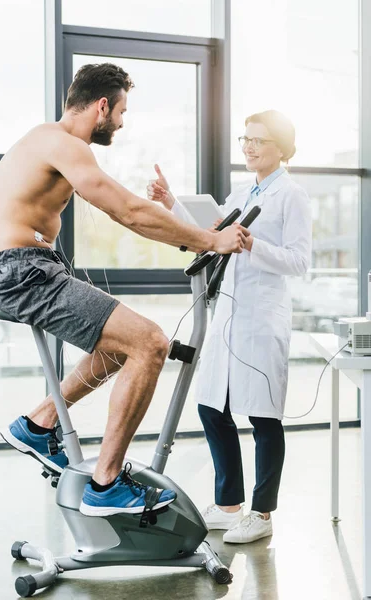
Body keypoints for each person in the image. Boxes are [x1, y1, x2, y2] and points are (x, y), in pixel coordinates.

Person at [0, 63, 248, 518]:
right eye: (122, 111)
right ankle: (105, 485)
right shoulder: (62, 143)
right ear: (102, 105)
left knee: (122, 347)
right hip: (22, 271)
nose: (122, 123)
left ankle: (38, 422)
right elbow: (126, 210)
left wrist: (193, 235)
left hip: (27, 267)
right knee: (151, 342)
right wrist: (210, 240)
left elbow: (133, 212)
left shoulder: (47, 141)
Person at [147, 110, 312, 542]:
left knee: (262, 415)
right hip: (228, 316)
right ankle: (227, 503)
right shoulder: (242, 189)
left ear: (281, 147)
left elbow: (299, 260)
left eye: (258, 140)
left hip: (262, 317)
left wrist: (253, 243)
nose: (249, 146)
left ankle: (261, 514)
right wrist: (172, 204)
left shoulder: (292, 196)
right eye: (245, 139)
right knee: (210, 406)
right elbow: (212, 232)